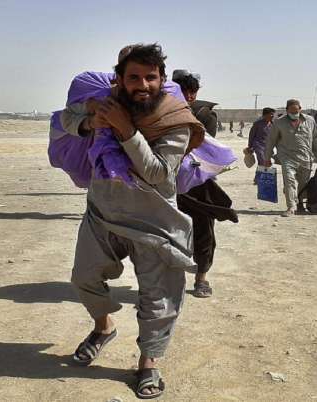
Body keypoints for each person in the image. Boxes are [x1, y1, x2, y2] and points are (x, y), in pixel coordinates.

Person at [63, 44, 204, 398]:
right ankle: (103, 327)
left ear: (162, 79)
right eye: (134, 77)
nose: (143, 84)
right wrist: (88, 121)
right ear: (120, 79)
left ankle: (149, 362)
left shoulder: (176, 119)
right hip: (103, 214)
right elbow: (63, 118)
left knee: (158, 298)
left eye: (150, 77)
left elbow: (157, 173)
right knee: (84, 279)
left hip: (155, 221)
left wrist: (125, 130)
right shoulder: (106, 102)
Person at [172, 69, 238, 299]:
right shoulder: (156, 108)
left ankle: (202, 277)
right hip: (164, 179)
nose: (189, 95)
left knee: (204, 228)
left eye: (193, 91)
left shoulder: (204, 113)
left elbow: (202, 145)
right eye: (185, 90)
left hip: (196, 180)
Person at [264, 99, 317, 217]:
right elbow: (271, 141)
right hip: (287, 157)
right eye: (291, 112)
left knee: (304, 184)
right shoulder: (279, 123)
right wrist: (267, 158)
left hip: (306, 158)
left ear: (300, 109)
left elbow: (316, 138)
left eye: (296, 111)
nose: (294, 114)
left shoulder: (310, 120)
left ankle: (300, 205)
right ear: (287, 110)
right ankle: (291, 207)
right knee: (289, 180)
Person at [171, 69, 219, 138]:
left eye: (192, 92)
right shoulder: (163, 109)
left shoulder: (206, 115)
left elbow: (206, 146)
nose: (188, 96)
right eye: (183, 91)